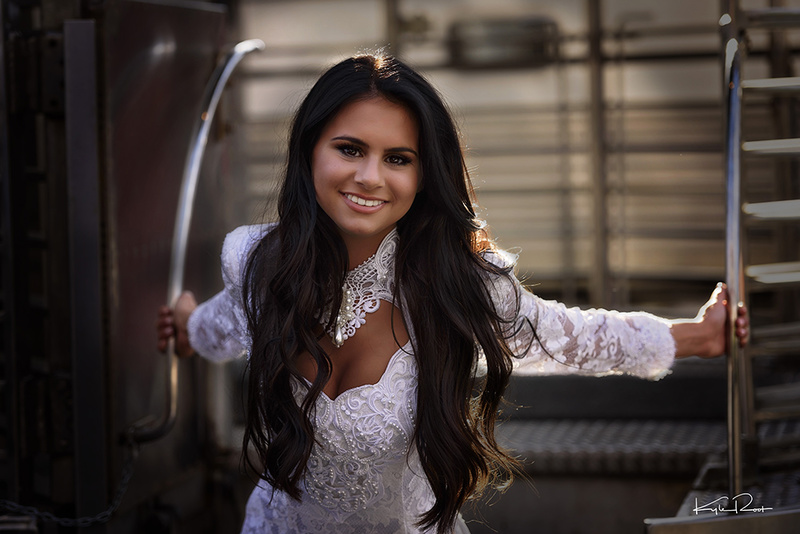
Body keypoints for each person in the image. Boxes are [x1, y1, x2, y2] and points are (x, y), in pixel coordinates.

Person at [156, 53, 749, 534]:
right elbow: (220, 325)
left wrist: (698, 336)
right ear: (310, 148)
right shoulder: (261, 262)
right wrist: (183, 327)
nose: (369, 177)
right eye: (350, 148)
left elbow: (574, 337)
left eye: (399, 159)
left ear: (424, 174)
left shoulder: (456, 284)